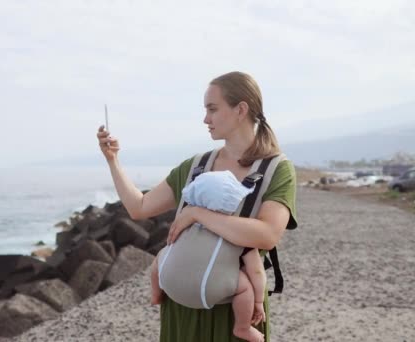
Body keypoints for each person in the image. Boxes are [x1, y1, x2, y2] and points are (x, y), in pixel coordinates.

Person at [96, 71, 298, 342]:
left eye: (212, 109)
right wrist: (112, 161)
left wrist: (197, 213)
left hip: (235, 314)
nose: (205, 119)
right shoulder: (195, 167)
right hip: (181, 309)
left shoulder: (277, 170)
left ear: (240, 110)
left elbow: (267, 235)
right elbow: (139, 207)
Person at [149, 170, 267, 342]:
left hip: (170, 286)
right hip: (207, 291)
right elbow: (256, 272)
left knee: (160, 256)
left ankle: (155, 294)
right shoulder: (238, 233)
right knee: (245, 287)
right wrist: (258, 302)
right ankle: (242, 328)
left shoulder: (183, 223)